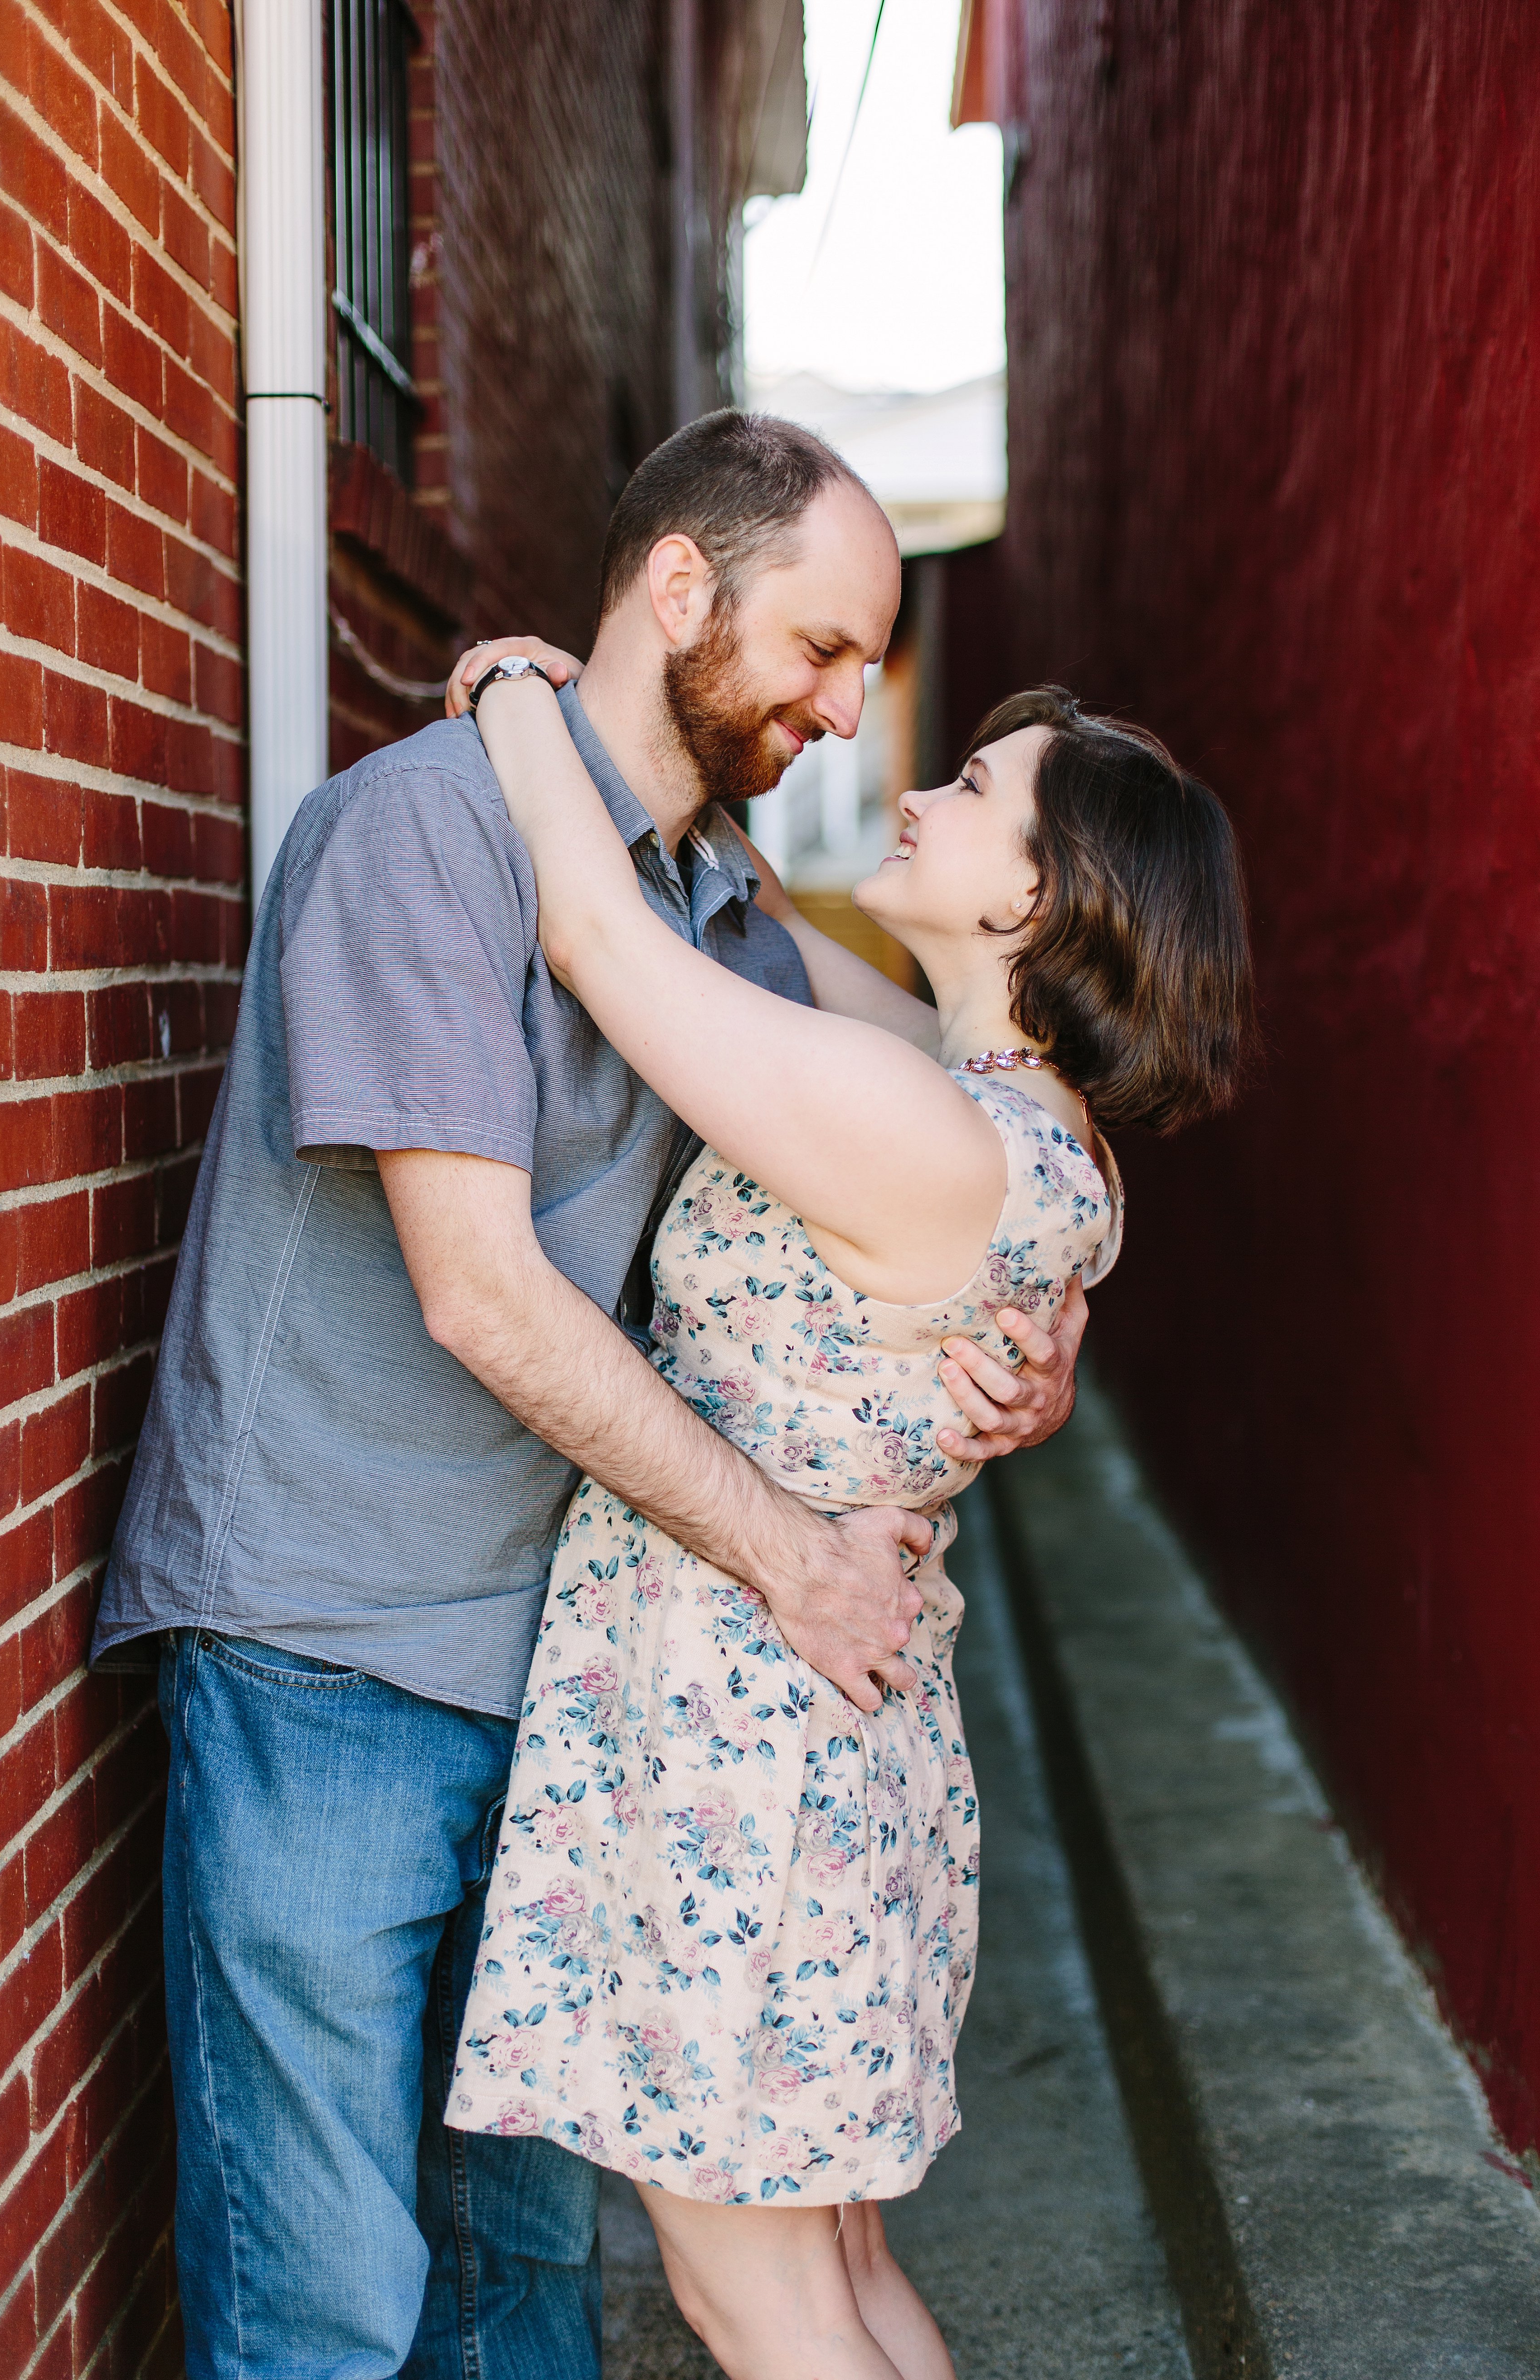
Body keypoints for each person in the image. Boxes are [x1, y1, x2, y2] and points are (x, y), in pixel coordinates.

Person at [88, 411, 1087, 2380]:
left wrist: (1032, 1358)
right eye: (820, 645)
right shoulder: (418, 836)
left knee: (517, 2304)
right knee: (330, 2311)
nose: (844, 703)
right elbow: (482, 1293)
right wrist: (791, 1550)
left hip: (567, 1678)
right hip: (332, 1647)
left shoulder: (712, 913)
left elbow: (971, 1152)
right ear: (680, 587)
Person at [442, 666, 1255, 2380]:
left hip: (744, 1734)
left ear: (1029, 893)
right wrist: (695, 775)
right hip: (822, 1727)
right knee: (834, 2265)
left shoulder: (920, 1125)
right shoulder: (1020, 1122)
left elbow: (601, 942)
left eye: (967, 786)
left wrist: (518, 692)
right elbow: (763, 954)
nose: (913, 795)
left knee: (757, 2297)